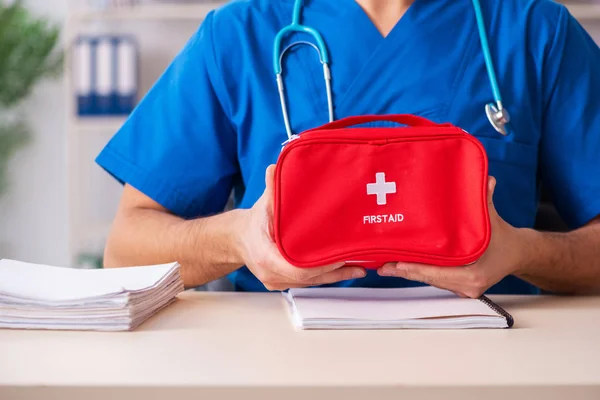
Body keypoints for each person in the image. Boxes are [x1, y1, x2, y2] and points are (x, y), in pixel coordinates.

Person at [96, 0, 600, 297]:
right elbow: (125, 251)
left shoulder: (537, 31)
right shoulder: (239, 33)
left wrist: (522, 252)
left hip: (495, 366)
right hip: (279, 367)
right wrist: (238, 238)